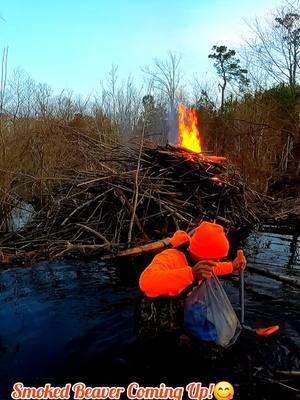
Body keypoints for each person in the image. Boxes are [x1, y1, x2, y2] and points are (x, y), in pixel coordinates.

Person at [137, 221, 247, 340]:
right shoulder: (170, 257)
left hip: (180, 310)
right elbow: (146, 283)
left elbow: (214, 268)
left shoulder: (201, 262)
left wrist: (232, 266)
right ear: (203, 254)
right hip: (157, 316)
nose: (217, 262)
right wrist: (191, 274)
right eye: (216, 258)